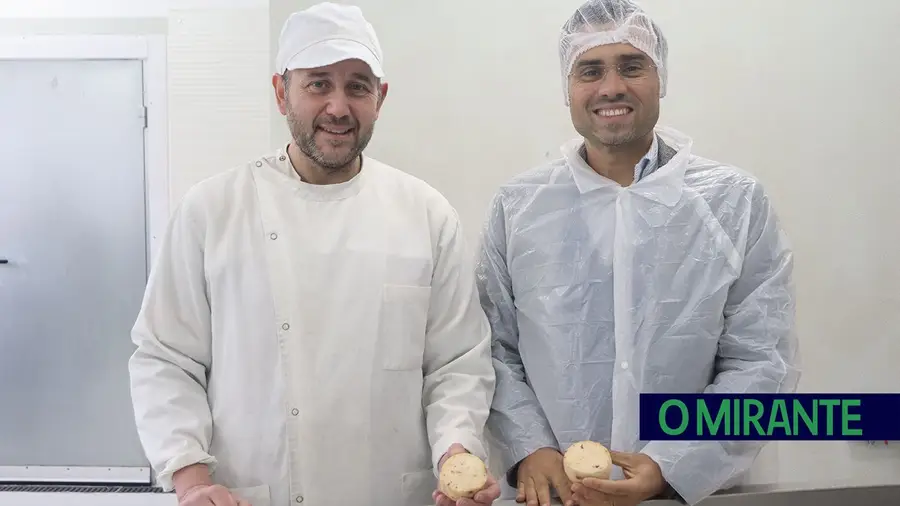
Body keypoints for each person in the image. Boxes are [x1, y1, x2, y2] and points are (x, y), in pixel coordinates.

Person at [128, 3, 501, 506]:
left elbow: (457, 363)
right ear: (281, 92)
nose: (339, 107)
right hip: (253, 492)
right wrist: (191, 478)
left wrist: (456, 453)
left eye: (358, 85)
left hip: (392, 490)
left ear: (381, 97)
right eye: (318, 83)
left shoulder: (426, 214)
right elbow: (166, 358)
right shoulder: (212, 211)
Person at [477, 1, 801, 505]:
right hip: (556, 493)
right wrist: (532, 449)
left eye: (632, 66)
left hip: (686, 492)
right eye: (590, 70)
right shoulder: (518, 208)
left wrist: (673, 464)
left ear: (661, 78)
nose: (611, 87)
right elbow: (494, 348)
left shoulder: (734, 203)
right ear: (568, 89)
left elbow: (759, 359)